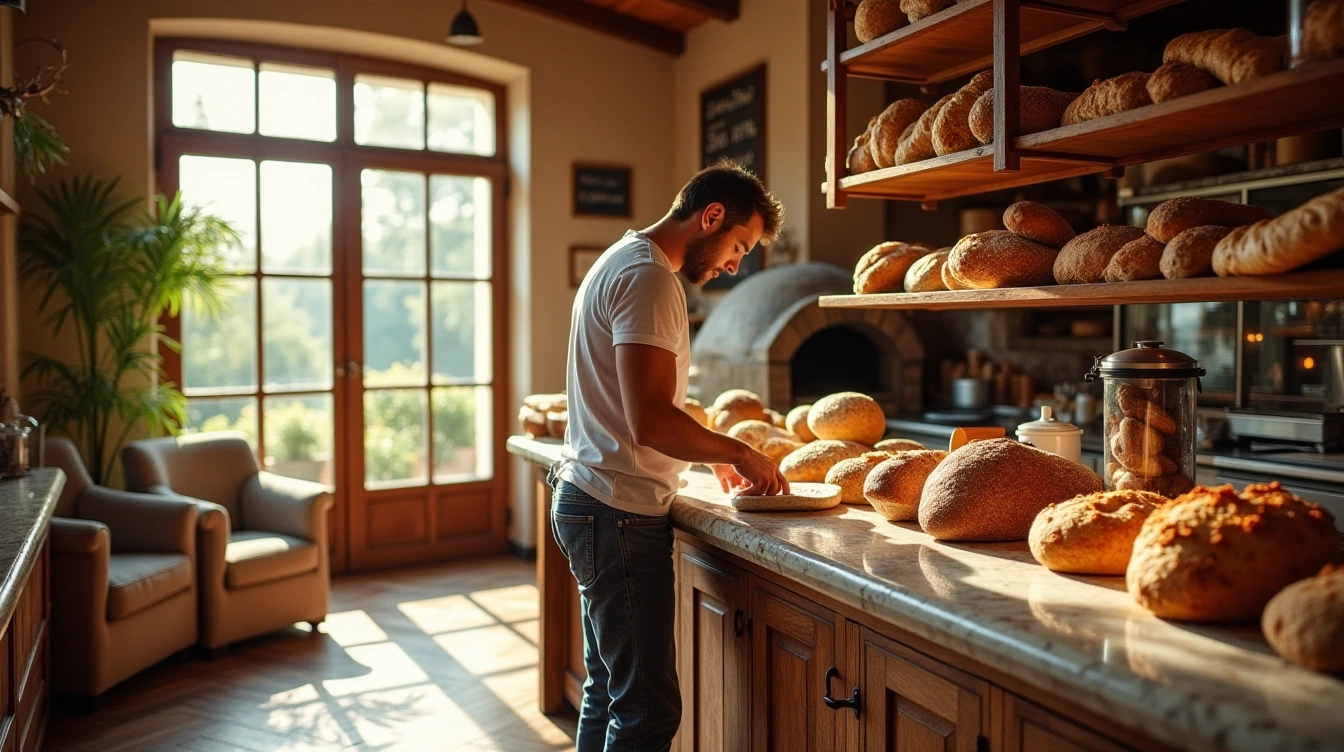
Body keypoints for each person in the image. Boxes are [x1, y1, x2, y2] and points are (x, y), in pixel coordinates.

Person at [548, 161, 788, 751]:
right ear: (710, 217)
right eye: (738, 244)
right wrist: (739, 449)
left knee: (609, 692)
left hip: (593, 501)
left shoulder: (622, 260)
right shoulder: (649, 277)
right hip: (617, 514)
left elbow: (644, 413)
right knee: (648, 713)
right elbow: (650, 419)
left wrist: (709, 457)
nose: (736, 263)